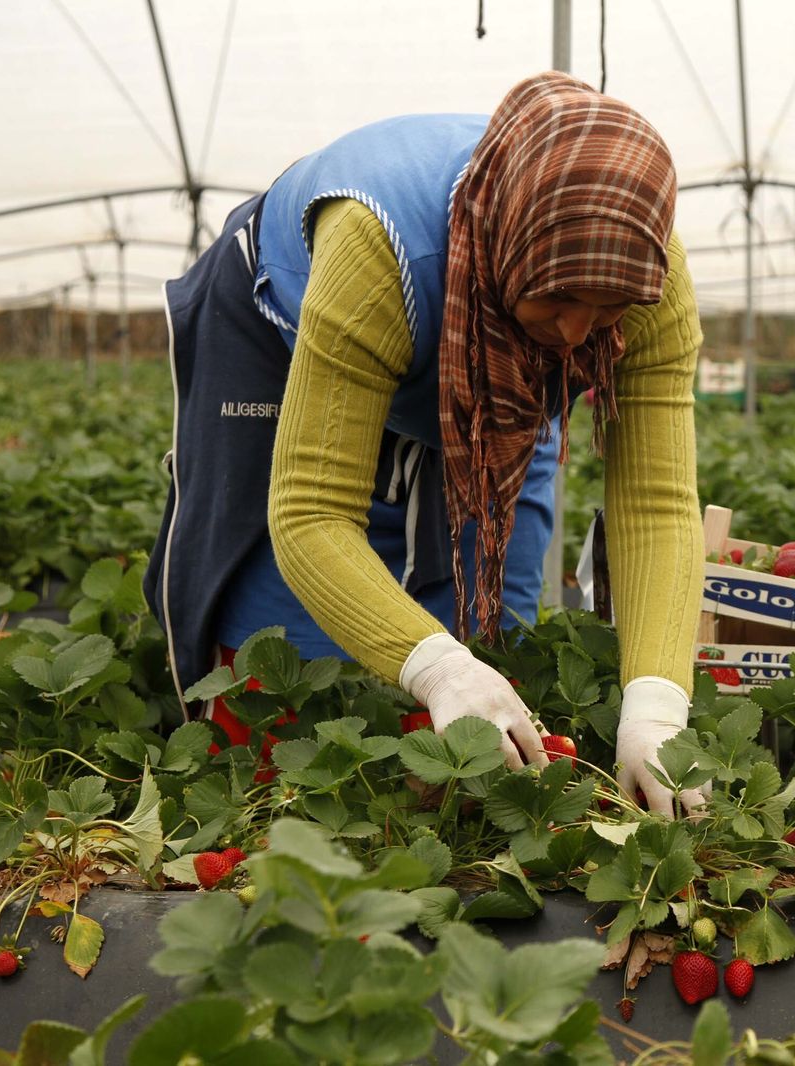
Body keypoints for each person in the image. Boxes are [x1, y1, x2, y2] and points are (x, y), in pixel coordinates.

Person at [144, 72, 707, 818]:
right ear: (512, 248)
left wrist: (657, 705)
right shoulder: (378, 254)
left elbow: (656, 504)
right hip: (278, 331)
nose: (577, 332)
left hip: (493, 355)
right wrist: (437, 670)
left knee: (496, 620)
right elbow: (311, 510)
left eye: (606, 311)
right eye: (560, 298)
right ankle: (271, 793)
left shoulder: (648, 284)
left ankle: (461, 789)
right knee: (285, 656)